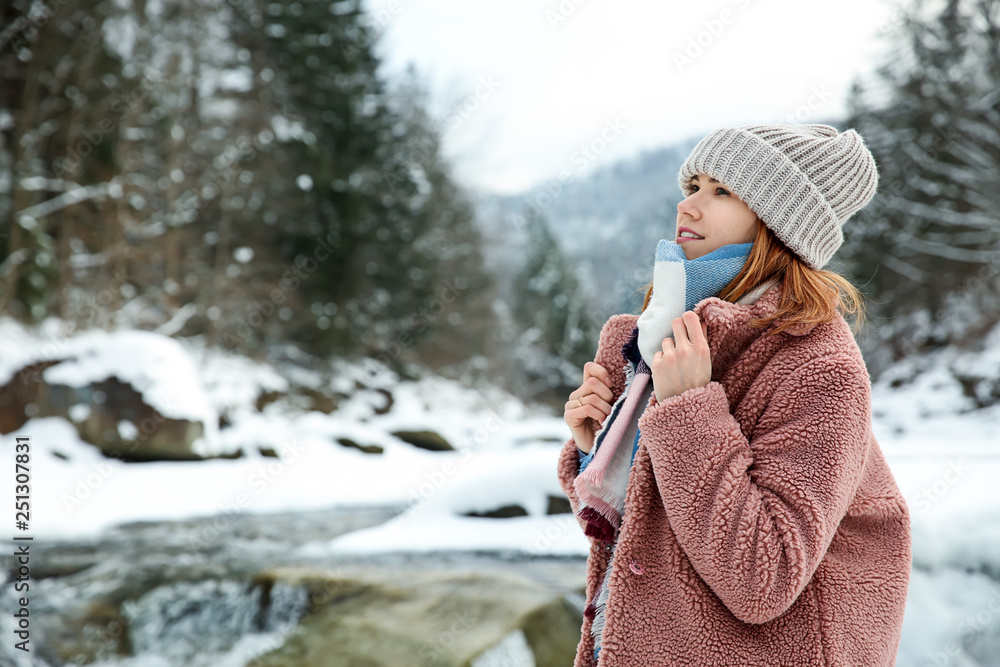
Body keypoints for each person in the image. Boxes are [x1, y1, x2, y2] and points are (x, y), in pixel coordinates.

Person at [557, 123, 911, 666]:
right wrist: (595, 447)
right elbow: (643, 538)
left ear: (778, 224)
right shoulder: (661, 335)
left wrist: (687, 411)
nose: (688, 205)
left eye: (721, 191)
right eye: (693, 185)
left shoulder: (818, 365)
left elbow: (762, 579)